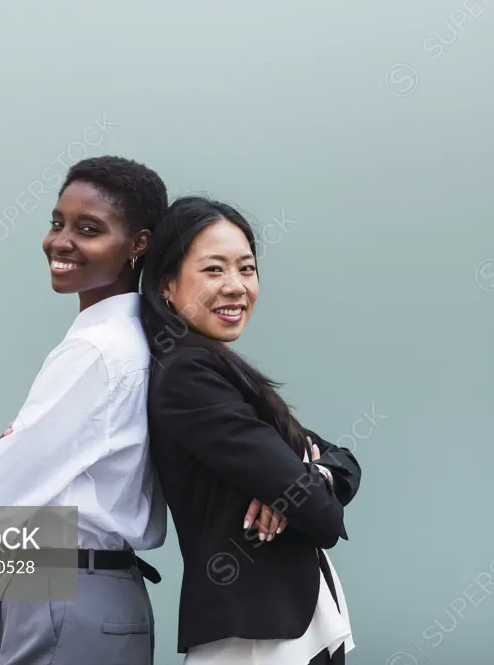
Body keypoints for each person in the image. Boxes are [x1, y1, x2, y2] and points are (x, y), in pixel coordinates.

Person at [0, 155, 169, 665]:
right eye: (57, 222)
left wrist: (12, 445)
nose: (60, 241)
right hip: (86, 590)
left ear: (138, 244)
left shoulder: (95, 353)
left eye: (88, 229)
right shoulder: (132, 340)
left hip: (65, 592)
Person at [139, 196, 361, 664]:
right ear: (166, 285)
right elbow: (321, 515)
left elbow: (339, 459)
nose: (237, 287)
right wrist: (301, 482)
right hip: (257, 640)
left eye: (247, 268)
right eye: (214, 270)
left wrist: (311, 476)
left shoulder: (220, 371)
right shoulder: (187, 376)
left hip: (290, 628)